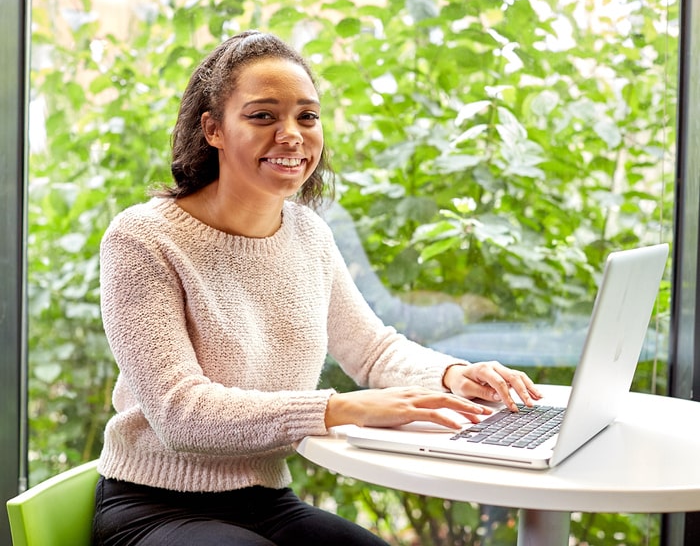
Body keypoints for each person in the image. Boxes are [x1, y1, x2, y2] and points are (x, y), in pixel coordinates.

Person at [91, 30, 542, 546]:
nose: (292, 135)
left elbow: (372, 349)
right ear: (212, 129)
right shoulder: (143, 238)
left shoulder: (307, 232)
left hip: (264, 503)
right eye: (263, 116)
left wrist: (452, 374)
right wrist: (339, 408)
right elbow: (181, 416)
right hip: (152, 508)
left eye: (307, 116)